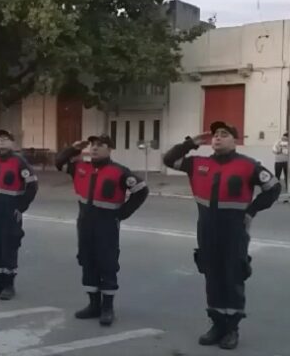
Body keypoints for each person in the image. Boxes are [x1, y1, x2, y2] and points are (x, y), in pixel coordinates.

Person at [163, 121, 281, 350]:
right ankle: (217, 325)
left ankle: (232, 329)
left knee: (233, 278)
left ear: (234, 140)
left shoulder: (248, 166)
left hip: (234, 232)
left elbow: (274, 188)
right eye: (215, 134)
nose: (217, 137)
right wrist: (192, 143)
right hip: (207, 232)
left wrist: (251, 211)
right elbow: (169, 159)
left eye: (224, 134)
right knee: (212, 278)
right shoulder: (198, 164)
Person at [54, 134, 149, 327]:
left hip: (106, 224)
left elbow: (141, 190)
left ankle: (107, 308)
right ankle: (93, 305)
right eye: (92, 145)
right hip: (85, 223)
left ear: (110, 149)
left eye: (100, 145)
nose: (94, 148)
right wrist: (73, 148)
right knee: (87, 261)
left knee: (107, 263)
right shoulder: (80, 167)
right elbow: (59, 162)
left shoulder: (120, 172)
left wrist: (123, 213)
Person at [0, 130, 38, 301]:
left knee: (9, 247)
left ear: (13, 143)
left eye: (5, 140)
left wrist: (20, 207)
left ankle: (9, 285)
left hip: (9, 212)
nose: (1, 143)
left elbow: (32, 186)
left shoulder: (19, 162)